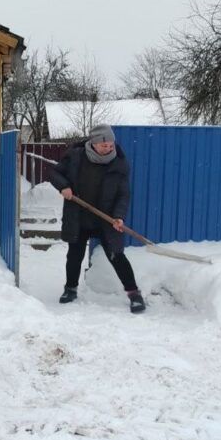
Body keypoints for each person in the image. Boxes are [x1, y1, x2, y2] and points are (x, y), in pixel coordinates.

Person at [48, 124, 146, 314]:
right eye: (104, 145)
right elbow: (55, 173)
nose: (108, 149)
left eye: (111, 145)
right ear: (93, 143)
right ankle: (70, 289)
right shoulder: (76, 156)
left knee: (116, 255)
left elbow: (123, 194)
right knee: (74, 254)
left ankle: (134, 294)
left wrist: (118, 216)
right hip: (78, 214)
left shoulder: (119, 163)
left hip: (106, 218)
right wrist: (64, 186)